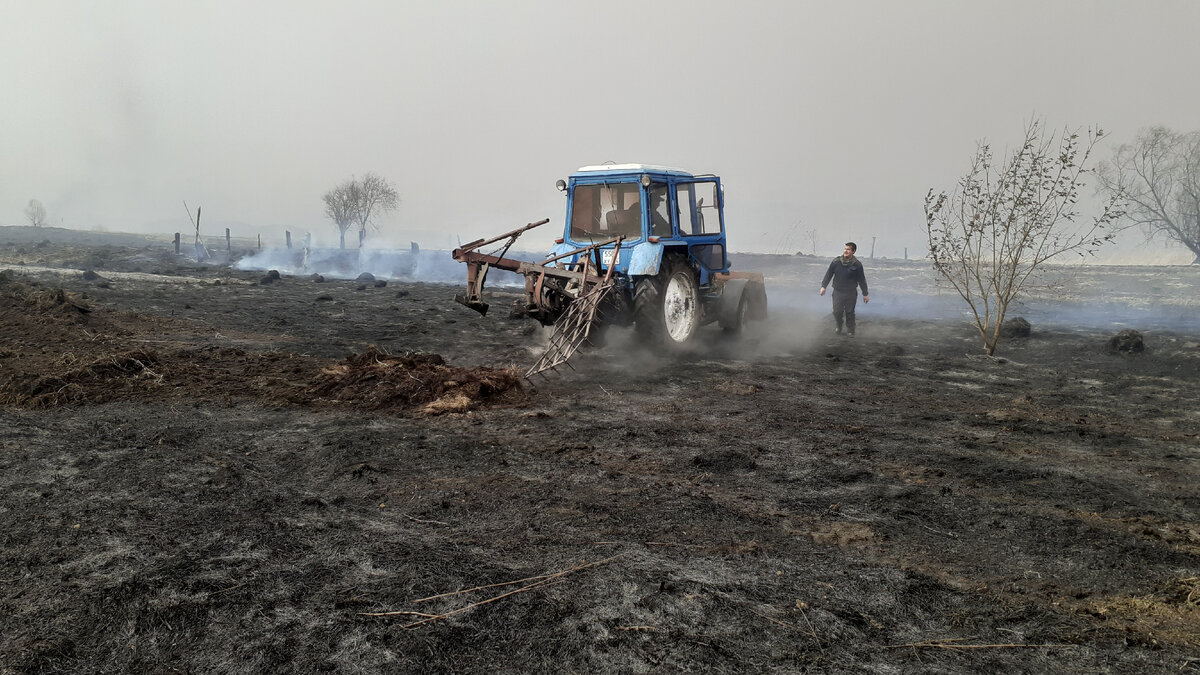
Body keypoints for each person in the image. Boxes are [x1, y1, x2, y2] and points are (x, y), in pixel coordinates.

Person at [819, 242, 869, 336]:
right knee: (837, 311)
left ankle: (850, 330)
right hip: (838, 291)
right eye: (845, 249)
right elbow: (829, 274)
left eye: (848, 249)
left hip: (851, 292)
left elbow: (862, 280)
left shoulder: (857, 265)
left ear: (853, 251)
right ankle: (839, 325)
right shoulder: (836, 262)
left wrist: (865, 294)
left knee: (850, 312)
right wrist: (823, 286)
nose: (846, 251)